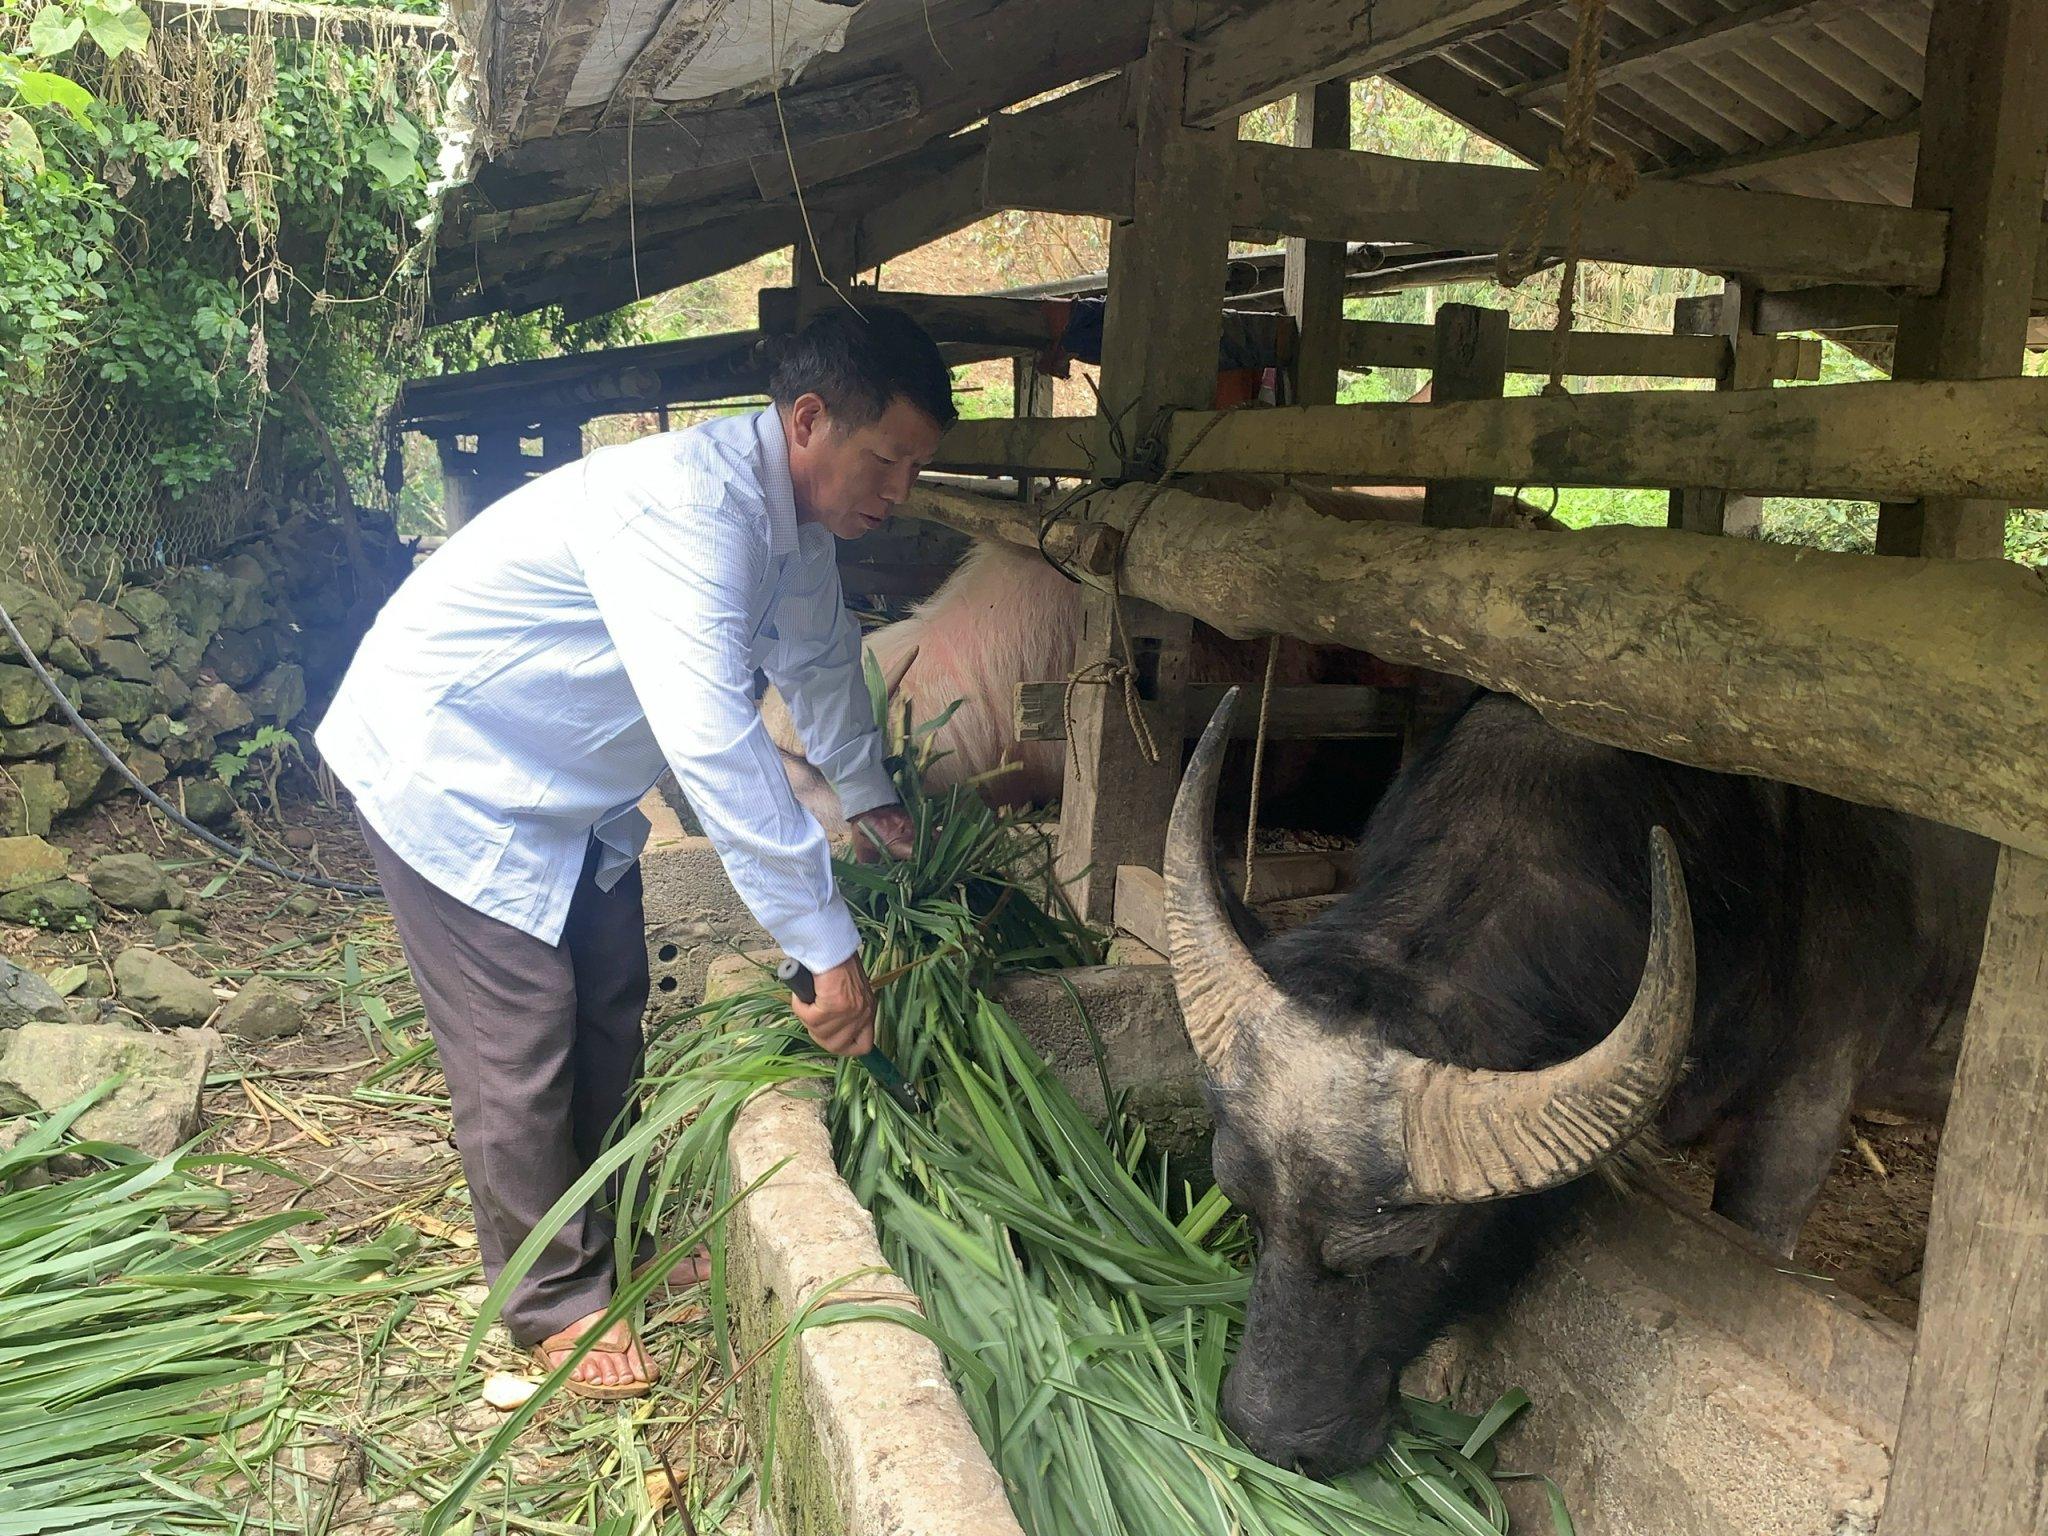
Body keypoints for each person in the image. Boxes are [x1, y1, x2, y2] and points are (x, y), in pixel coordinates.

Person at [315, 306, 955, 1397]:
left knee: (608, 1000)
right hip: (453, 766)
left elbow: (818, 658)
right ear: (808, 421)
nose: (896, 492)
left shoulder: (796, 529)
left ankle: (596, 1223)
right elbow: (715, 746)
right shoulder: (689, 512)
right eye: (885, 459)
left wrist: (867, 794)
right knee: (518, 1034)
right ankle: (550, 1300)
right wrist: (820, 944)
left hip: (562, 783)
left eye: (911, 467)